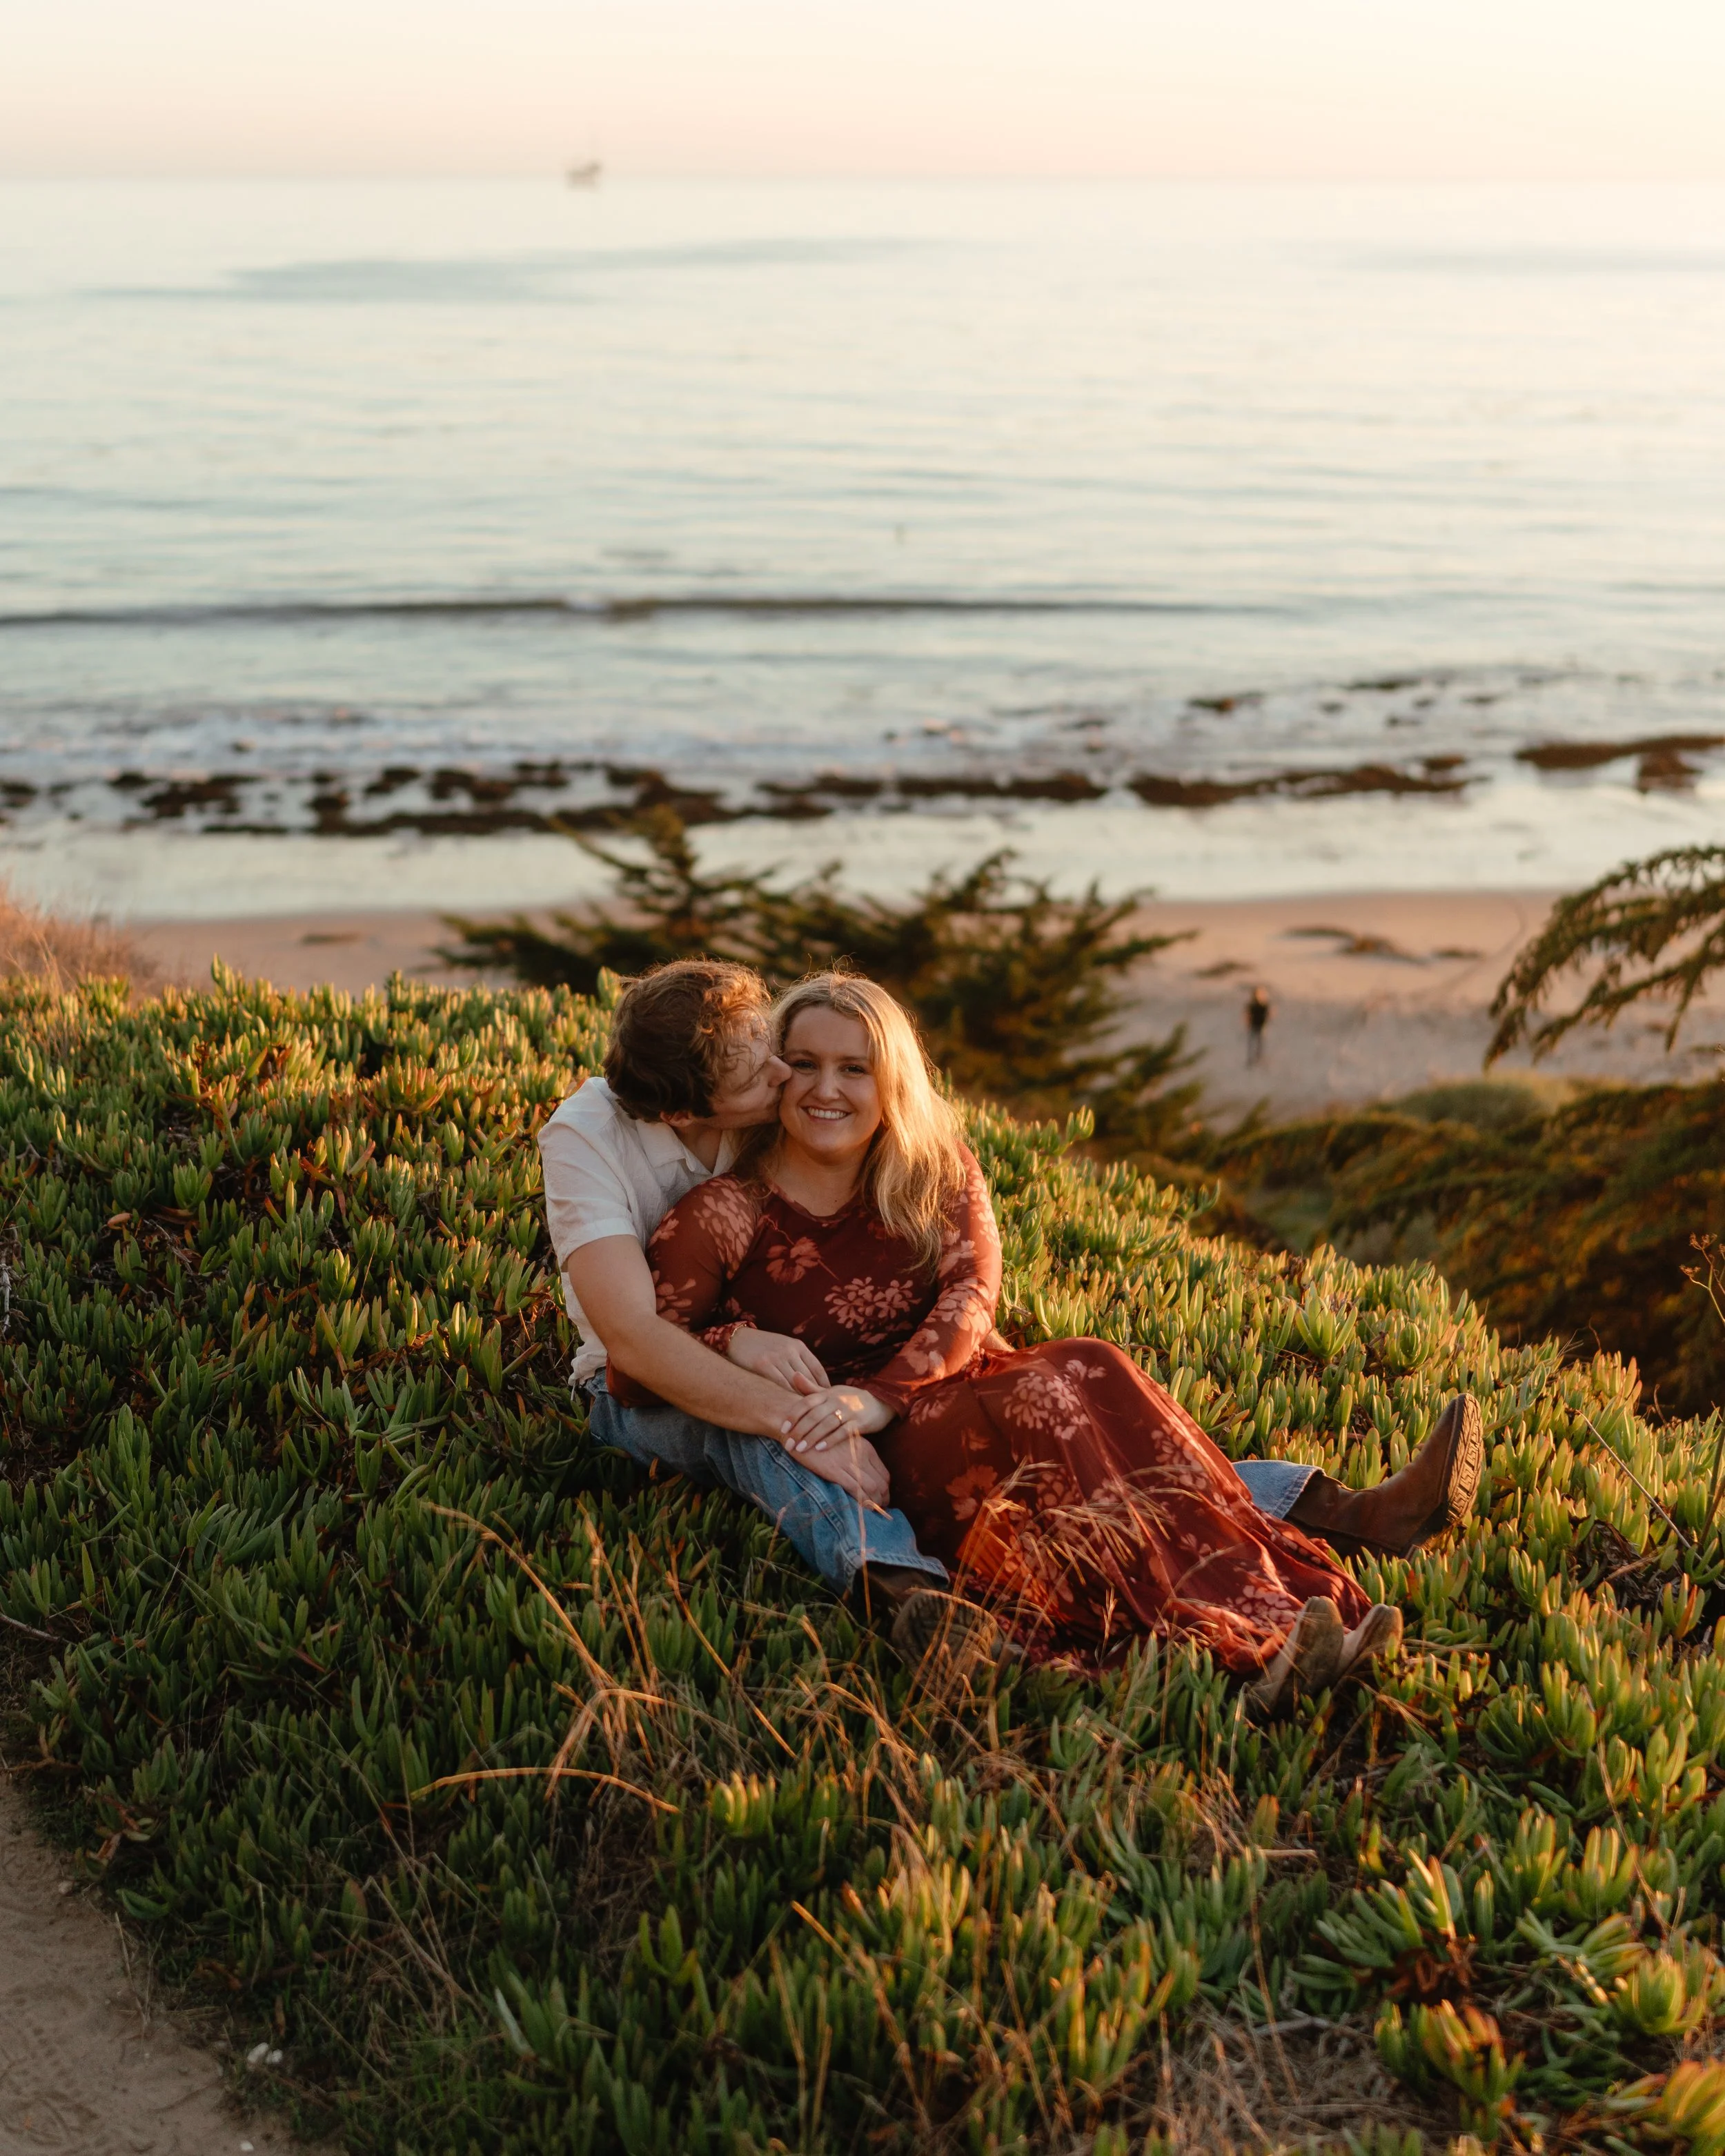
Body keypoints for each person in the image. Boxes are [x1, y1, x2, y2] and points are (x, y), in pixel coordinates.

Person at [539, 960, 1482, 1649]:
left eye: (852, 1068)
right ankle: (939, 1595)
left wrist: (880, 1395)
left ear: (892, 1081)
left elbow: (972, 1295)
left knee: (1091, 1372)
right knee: (1036, 1423)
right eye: (793, 1066)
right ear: (706, 1105)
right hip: (846, 1421)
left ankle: (1309, 1565)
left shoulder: (928, 1168)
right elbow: (643, 1346)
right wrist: (757, 1355)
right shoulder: (702, 1195)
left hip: (925, 1388)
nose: (811, 1086)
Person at [537, 959, 962, 1649]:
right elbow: (634, 1342)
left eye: (769, 1044)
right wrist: (800, 1423)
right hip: (632, 1391)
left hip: (792, 1355)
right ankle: (902, 1591)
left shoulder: (759, 1098)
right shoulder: (586, 1138)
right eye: (761, 1072)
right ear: (682, 1112)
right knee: (743, 1429)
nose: (782, 1073)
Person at [1245, 985, 1272, 1067]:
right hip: (1253, 1026)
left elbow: (1268, 1015)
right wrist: (1247, 1024)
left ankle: (1259, 1058)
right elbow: (1247, 1015)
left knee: (1260, 1043)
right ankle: (1251, 1059)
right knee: (1252, 1043)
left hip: (1261, 1026)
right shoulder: (1252, 1005)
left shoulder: (1265, 1005)